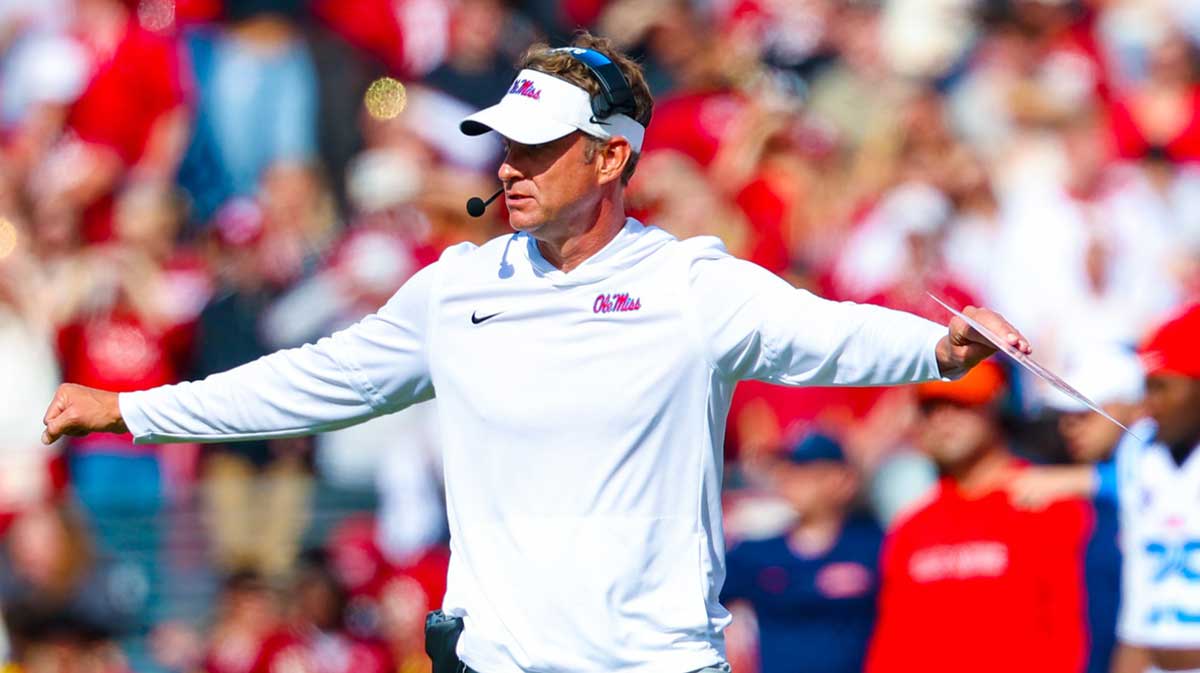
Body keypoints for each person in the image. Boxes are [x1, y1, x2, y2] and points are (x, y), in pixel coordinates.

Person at [41, 33, 1032, 673]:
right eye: (503, 143)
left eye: (539, 147)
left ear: (612, 158)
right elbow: (314, 380)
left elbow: (826, 332)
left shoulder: (692, 283)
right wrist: (135, 407)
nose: (507, 165)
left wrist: (938, 349)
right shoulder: (457, 286)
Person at [865, 361, 1089, 673]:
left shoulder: (1050, 505)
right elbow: (889, 650)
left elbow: (1073, 633)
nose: (942, 419)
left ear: (996, 408)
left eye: (959, 404)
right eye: (930, 408)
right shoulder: (910, 529)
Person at [721, 433, 882, 673]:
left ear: (844, 480)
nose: (792, 479)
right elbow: (699, 599)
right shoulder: (757, 553)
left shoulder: (874, 547)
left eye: (807, 470)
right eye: (791, 469)